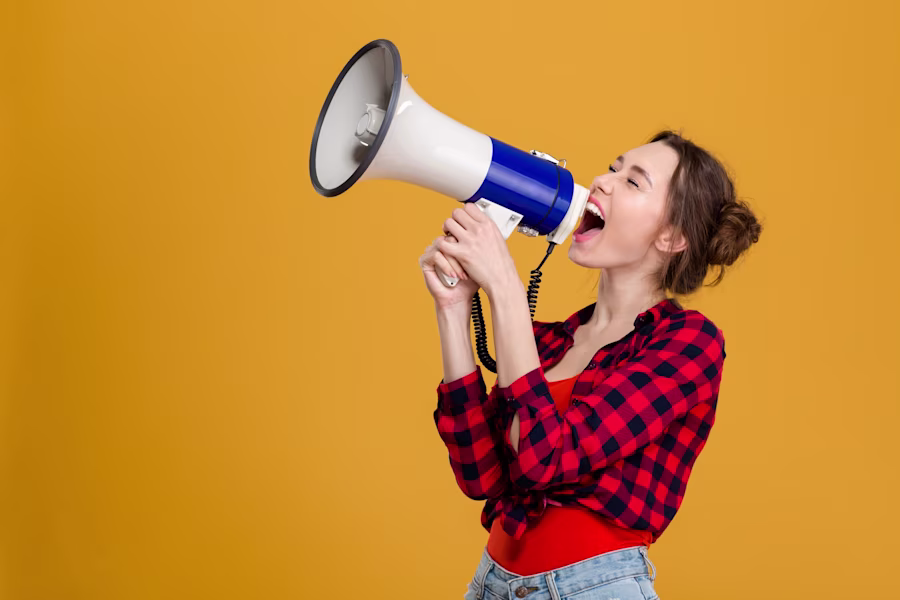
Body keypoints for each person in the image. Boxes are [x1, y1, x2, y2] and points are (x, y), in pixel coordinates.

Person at [419, 129, 762, 600]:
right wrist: (454, 309)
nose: (603, 180)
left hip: (591, 588)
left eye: (633, 182)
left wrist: (504, 289)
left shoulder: (688, 344)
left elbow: (547, 458)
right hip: (491, 584)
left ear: (672, 236)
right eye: (614, 167)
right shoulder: (547, 343)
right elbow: (480, 474)